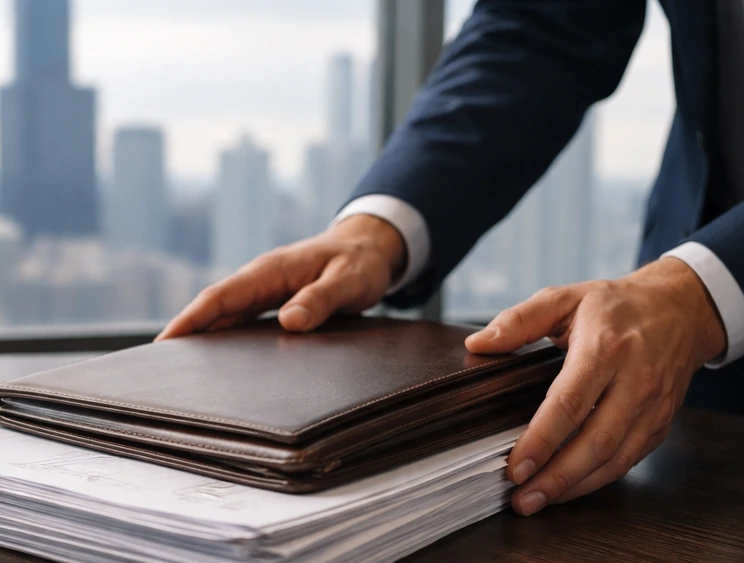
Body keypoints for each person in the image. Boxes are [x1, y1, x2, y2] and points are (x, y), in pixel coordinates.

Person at [157, 0, 744, 516]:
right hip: (676, 379)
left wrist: (700, 291)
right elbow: (540, 27)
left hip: (688, 312)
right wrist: (381, 226)